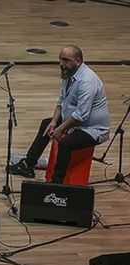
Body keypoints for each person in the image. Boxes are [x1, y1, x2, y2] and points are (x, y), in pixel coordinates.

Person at [9, 46, 109, 183]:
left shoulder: (87, 81)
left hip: (91, 129)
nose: (61, 64)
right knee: (46, 124)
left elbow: (82, 116)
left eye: (66, 60)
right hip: (74, 119)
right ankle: (28, 164)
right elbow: (61, 101)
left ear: (78, 61)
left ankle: (57, 182)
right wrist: (54, 122)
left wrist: (60, 129)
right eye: (60, 60)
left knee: (66, 144)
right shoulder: (69, 73)